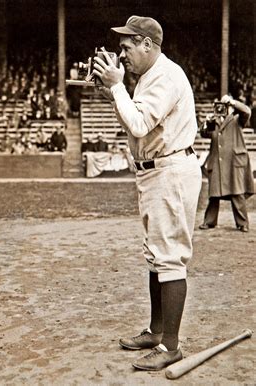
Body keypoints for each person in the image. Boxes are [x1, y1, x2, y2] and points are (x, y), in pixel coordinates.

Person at [93, 16, 202, 371]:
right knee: (156, 254)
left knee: (169, 257)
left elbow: (139, 124)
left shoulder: (166, 76)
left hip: (170, 171)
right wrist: (113, 91)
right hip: (156, 172)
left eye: (127, 46)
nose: (122, 53)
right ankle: (156, 332)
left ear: (147, 45)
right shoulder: (148, 77)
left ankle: (170, 345)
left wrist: (117, 86)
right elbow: (134, 122)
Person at [198, 95, 253, 232]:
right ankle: (209, 221)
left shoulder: (237, 119)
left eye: (224, 104)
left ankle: (242, 223)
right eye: (219, 104)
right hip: (217, 161)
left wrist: (233, 102)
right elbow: (204, 133)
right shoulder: (214, 120)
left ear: (229, 106)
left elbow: (247, 111)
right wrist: (207, 121)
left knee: (237, 192)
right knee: (214, 194)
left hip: (234, 161)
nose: (221, 107)